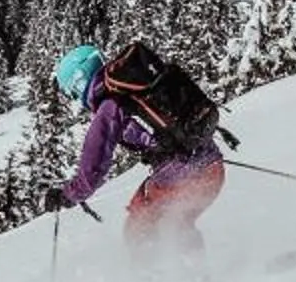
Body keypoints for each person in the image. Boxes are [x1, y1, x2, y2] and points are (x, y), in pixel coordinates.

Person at [42, 44, 227, 256]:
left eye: (72, 93)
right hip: (212, 167)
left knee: (140, 228)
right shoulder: (139, 86)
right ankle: (198, 279)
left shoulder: (110, 107)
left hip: (184, 179)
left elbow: (92, 170)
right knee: (177, 225)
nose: (77, 100)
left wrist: (67, 195)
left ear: (79, 81)